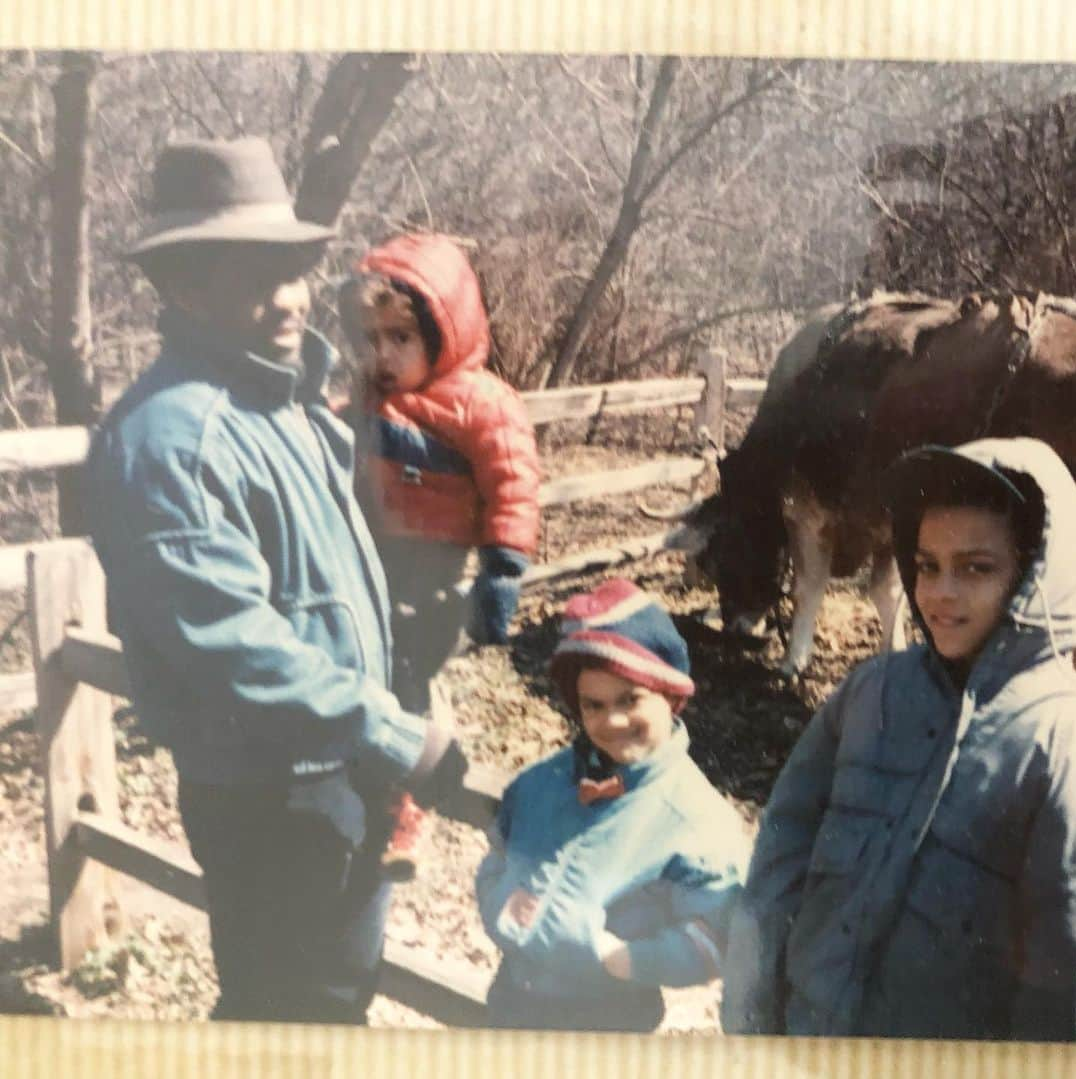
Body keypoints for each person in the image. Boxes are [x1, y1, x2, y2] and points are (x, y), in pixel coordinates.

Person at [86, 137, 468, 1024]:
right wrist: (393, 733)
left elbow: (329, 577)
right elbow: (229, 643)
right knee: (290, 1015)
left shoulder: (287, 406)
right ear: (183, 287)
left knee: (334, 998)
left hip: (339, 769)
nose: (291, 297)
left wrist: (408, 652)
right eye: (256, 276)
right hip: (275, 796)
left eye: (295, 270)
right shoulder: (171, 440)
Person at [722, 437, 1076, 1041]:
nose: (940, 592)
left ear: (1037, 577)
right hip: (812, 1038)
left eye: (976, 568)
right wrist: (752, 1009)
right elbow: (780, 857)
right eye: (927, 564)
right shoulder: (870, 692)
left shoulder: (1057, 738)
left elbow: (1063, 969)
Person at [475, 578, 749, 1032]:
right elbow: (498, 854)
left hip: (606, 1020)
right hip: (512, 999)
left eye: (630, 699)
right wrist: (499, 907)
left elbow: (715, 934)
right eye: (594, 705)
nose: (613, 720)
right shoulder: (542, 784)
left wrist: (622, 959)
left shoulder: (695, 818)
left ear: (670, 697)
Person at [337, 232, 541, 705]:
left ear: (443, 333)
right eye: (371, 339)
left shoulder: (481, 402)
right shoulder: (369, 398)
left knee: (415, 659)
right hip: (371, 546)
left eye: (401, 337)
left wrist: (503, 569)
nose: (383, 354)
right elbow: (336, 431)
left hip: (436, 559)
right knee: (372, 654)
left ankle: (420, 751)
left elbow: (512, 484)